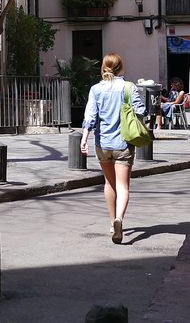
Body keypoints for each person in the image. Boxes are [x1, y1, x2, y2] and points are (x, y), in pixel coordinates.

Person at [80, 53, 146, 245]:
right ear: (120, 67)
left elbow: (90, 117)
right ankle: (119, 219)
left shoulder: (96, 89)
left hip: (103, 144)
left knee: (109, 184)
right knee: (123, 185)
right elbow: (141, 110)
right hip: (123, 143)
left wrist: (84, 139)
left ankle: (111, 223)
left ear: (104, 67)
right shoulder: (128, 87)